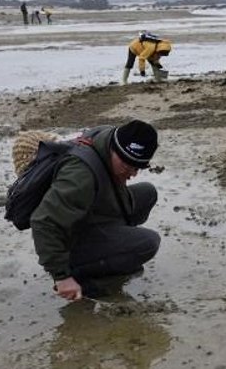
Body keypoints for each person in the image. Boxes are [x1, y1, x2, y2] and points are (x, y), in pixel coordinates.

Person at [30, 119, 161, 301]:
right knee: (148, 242)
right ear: (114, 150)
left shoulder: (107, 137)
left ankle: (115, 252)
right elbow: (43, 222)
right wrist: (62, 276)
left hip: (88, 212)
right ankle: (85, 278)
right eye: (127, 166)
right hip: (70, 240)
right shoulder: (80, 175)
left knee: (147, 193)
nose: (133, 174)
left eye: (138, 167)